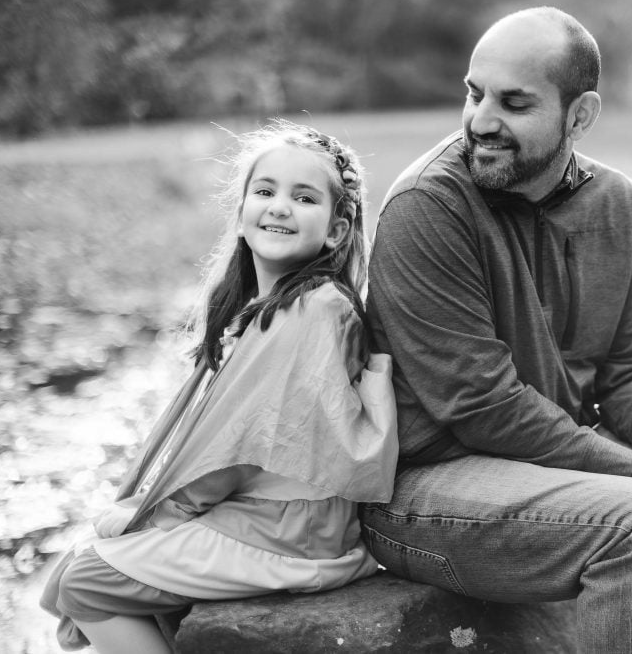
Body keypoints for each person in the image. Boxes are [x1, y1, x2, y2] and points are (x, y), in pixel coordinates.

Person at [361, 6, 632, 653]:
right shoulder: (427, 209)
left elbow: (631, 371)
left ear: (579, 116)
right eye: (474, 93)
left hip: (548, 465)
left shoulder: (620, 205)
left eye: (514, 103)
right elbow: (482, 405)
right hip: (424, 487)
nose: (481, 121)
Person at [40, 120, 398, 654]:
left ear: (336, 231)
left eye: (303, 197)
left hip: (292, 530)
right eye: (265, 191)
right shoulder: (260, 311)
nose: (279, 206)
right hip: (261, 515)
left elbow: (242, 439)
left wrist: (160, 513)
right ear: (241, 213)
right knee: (79, 562)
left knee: (86, 581)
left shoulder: (315, 308)